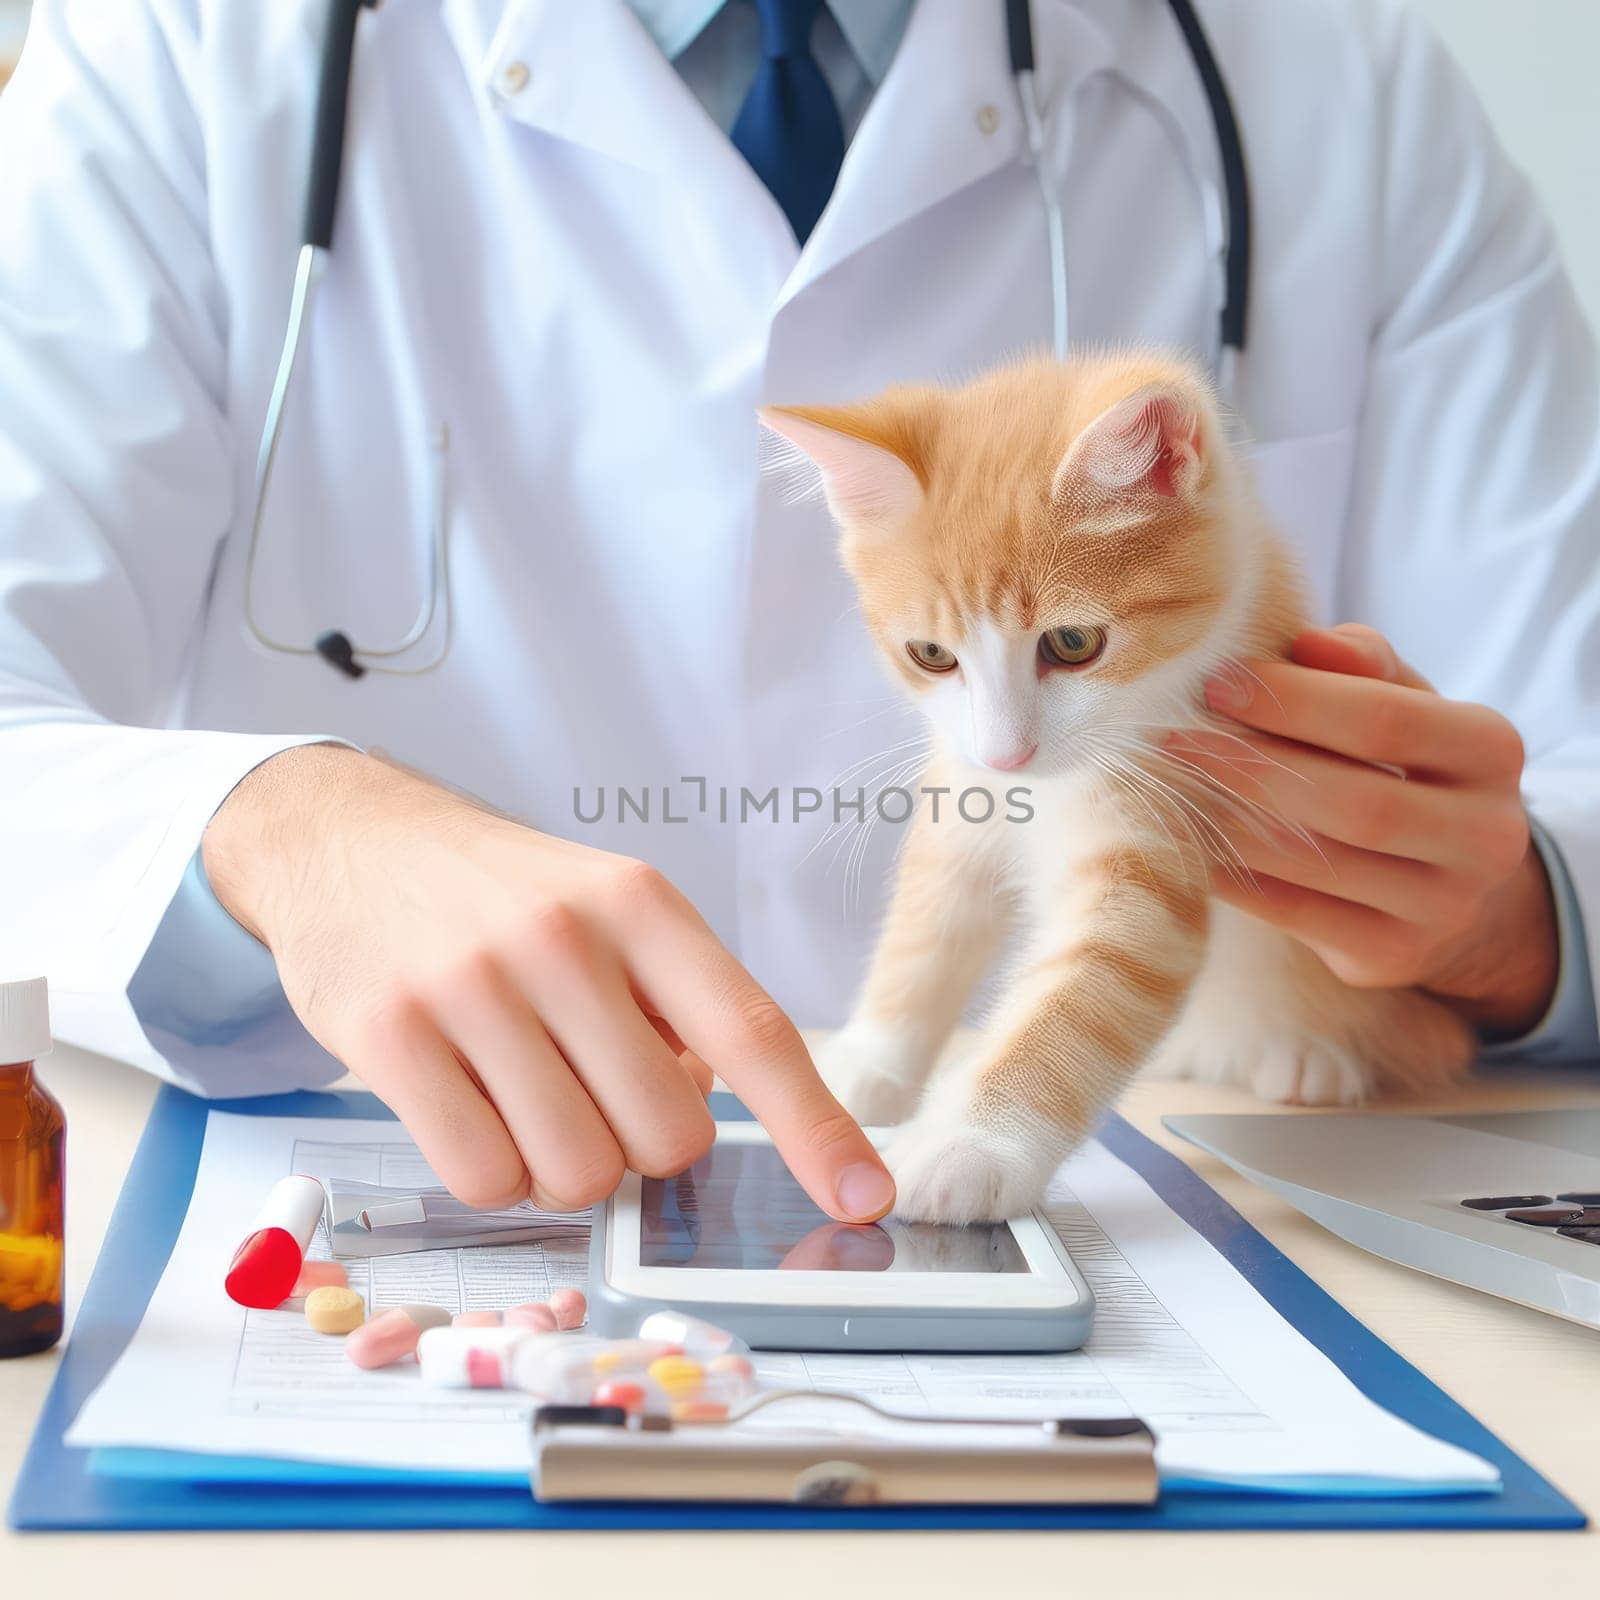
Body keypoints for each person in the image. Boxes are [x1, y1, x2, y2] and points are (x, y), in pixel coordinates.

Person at [0, 0, 1594, 1219]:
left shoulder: (1330, 80)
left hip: (1194, 1228)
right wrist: (283, 830)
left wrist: (1511, 923)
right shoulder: (182, 48)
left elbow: (1572, 779)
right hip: (401, 1196)